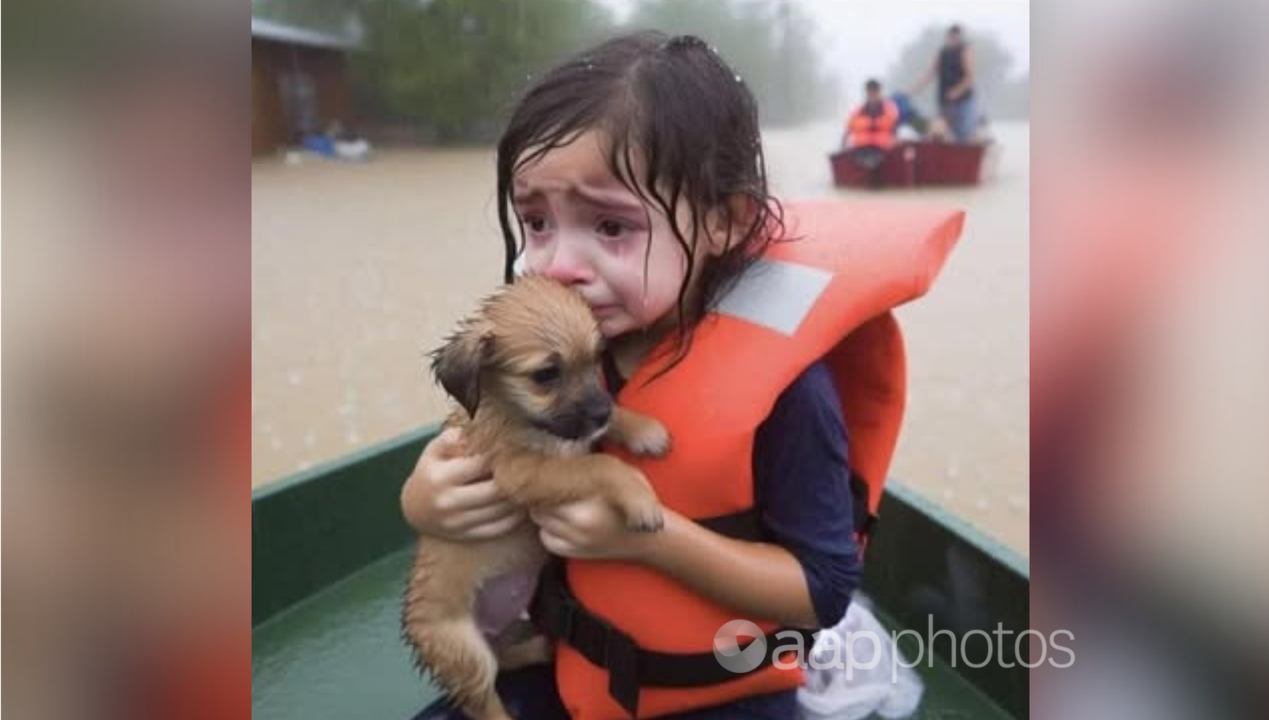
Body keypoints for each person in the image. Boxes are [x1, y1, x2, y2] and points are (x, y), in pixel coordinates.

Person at [401, 31, 956, 720]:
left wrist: (651, 538)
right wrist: (424, 500)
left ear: (725, 220)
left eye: (609, 226)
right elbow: (487, 459)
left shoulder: (791, 393)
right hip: (570, 661)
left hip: (720, 688)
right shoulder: (568, 339)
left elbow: (823, 591)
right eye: (535, 221)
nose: (556, 263)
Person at [910, 24, 979, 143]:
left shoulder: (965, 50)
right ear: (948, 37)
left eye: (957, 36)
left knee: (964, 132)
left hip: (964, 100)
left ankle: (973, 141)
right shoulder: (942, 52)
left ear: (960, 37)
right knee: (938, 132)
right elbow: (930, 73)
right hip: (945, 101)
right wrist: (914, 90)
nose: (954, 39)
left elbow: (970, 77)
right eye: (952, 36)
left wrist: (957, 91)